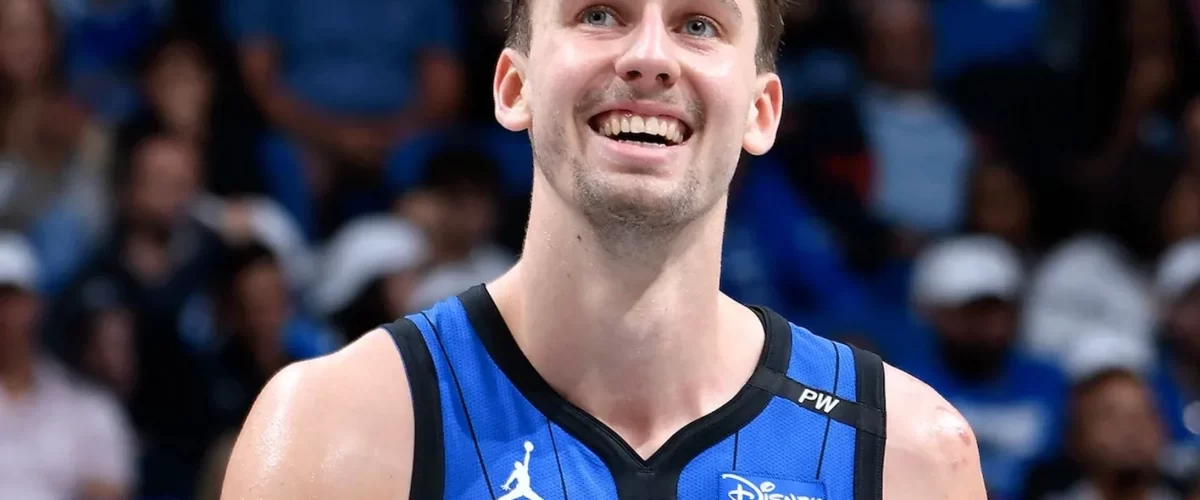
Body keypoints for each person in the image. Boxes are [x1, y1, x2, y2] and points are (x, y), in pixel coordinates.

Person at [221, 0, 987, 498]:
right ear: (514, 88)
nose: (649, 57)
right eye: (599, 14)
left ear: (762, 111)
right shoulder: (338, 430)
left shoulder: (906, 453)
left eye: (699, 24)